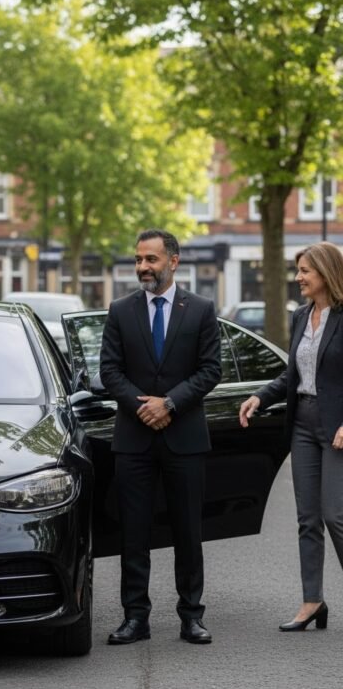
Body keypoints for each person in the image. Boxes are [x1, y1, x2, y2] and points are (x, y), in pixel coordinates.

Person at [100, 229, 221, 645]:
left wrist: (168, 404)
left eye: (150, 259)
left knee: (188, 531)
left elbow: (210, 370)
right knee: (134, 532)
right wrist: (142, 406)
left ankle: (192, 616)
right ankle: (136, 617)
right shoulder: (120, 310)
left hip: (184, 437)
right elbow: (109, 371)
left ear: (173, 261)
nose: (143, 268)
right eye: (138, 260)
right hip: (133, 439)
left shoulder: (201, 309)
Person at [239, 241, 343, 632]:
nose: (298, 278)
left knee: (335, 514)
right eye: (298, 270)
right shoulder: (302, 316)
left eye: (305, 271)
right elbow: (291, 375)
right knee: (307, 518)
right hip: (302, 422)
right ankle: (312, 601)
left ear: (326, 274)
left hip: (336, 427)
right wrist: (258, 397)